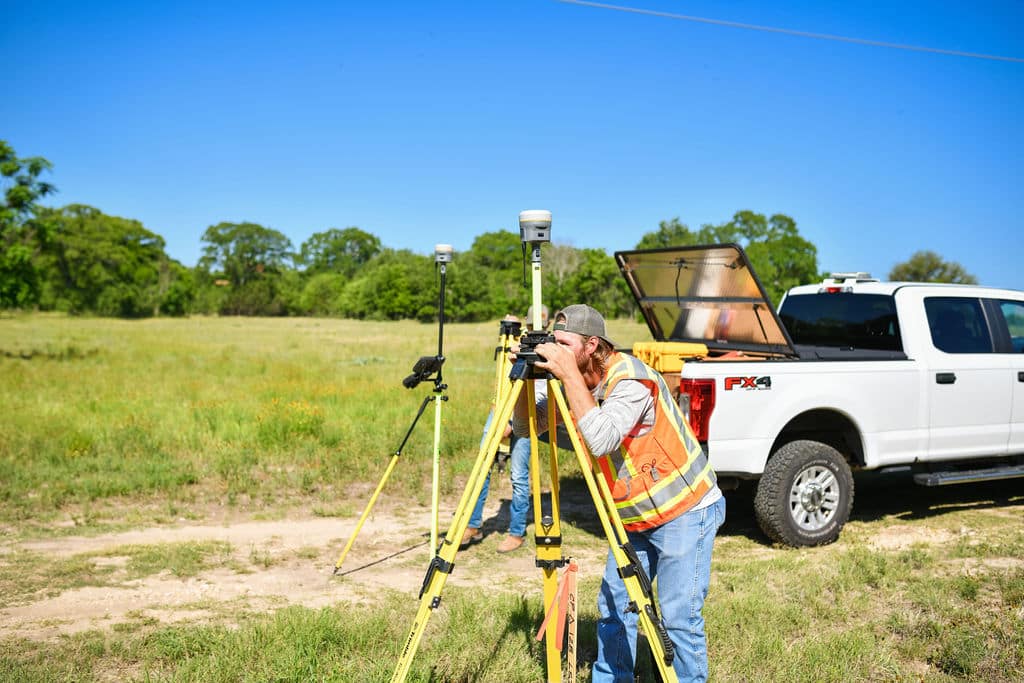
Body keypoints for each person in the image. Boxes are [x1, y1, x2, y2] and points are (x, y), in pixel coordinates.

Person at [511, 304, 725, 683]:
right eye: (551, 341)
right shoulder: (574, 380)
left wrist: (565, 377)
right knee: (614, 607)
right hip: (632, 517)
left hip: (685, 509)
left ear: (592, 344)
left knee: (678, 616)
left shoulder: (631, 379)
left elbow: (601, 439)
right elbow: (529, 426)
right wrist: (527, 380)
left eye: (562, 342)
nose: (555, 349)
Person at [460, 304, 550, 554]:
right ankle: (472, 525)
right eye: (530, 326)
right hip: (500, 407)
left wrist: (510, 422)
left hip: (526, 414)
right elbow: (503, 379)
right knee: (482, 467)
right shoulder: (515, 343)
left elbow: (541, 395)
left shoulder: (551, 351)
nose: (534, 330)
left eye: (539, 327)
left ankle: (516, 531)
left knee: (519, 476)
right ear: (525, 324)